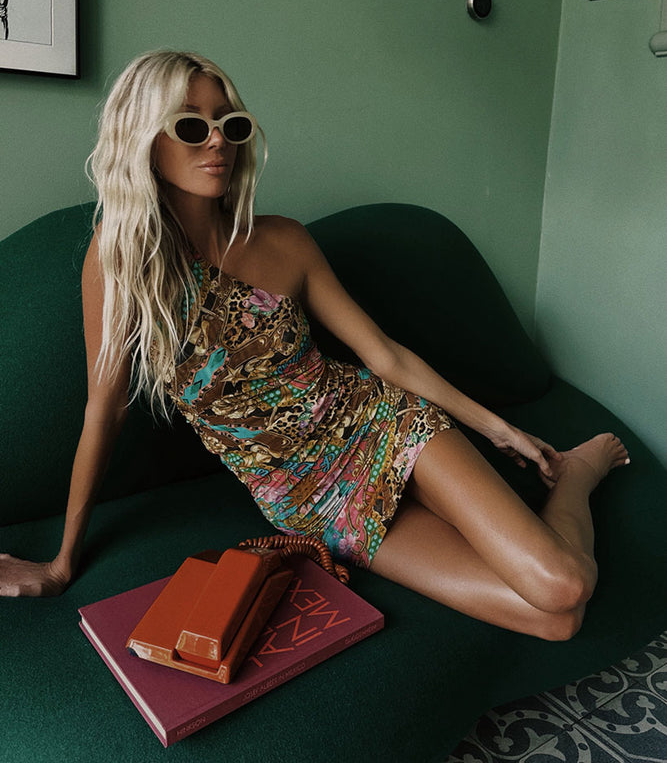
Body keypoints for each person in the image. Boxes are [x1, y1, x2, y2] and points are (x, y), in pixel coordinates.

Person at [0, 51, 629, 639]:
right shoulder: (121, 260)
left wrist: (497, 428)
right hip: (305, 495)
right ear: (144, 139)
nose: (217, 141)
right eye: (190, 126)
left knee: (563, 584)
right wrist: (61, 562)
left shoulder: (285, 241)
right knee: (557, 621)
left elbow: (384, 355)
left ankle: (573, 477)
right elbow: (104, 411)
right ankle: (560, 490)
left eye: (230, 124)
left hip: (380, 422)